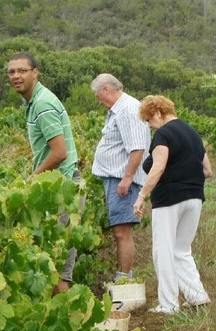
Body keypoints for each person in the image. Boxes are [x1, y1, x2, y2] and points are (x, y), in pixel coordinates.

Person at [8, 52, 80, 295]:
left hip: (63, 188)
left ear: (35, 72)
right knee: (52, 261)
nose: (16, 76)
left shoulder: (42, 104)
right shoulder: (33, 102)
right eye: (11, 72)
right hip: (56, 187)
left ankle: (68, 325)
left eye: (22, 71)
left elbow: (59, 153)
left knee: (57, 263)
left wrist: (33, 177)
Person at [132, 94, 211, 314]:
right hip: (195, 198)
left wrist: (141, 197)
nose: (150, 125)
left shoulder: (164, 134)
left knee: (163, 251)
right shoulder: (193, 133)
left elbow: (157, 168)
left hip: (169, 198)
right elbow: (208, 170)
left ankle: (168, 304)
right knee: (181, 250)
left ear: (157, 112)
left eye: (149, 120)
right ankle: (197, 296)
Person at [91, 74, 149, 283]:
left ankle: (125, 278)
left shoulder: (128, 109)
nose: (99, 101)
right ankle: (124, 276)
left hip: (123, 181)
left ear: (106, 89)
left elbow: (137, 148)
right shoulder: (118, 109)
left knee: (122, 231)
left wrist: (126, 179)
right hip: (117, 179)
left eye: (99, 96)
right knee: (119, 229)